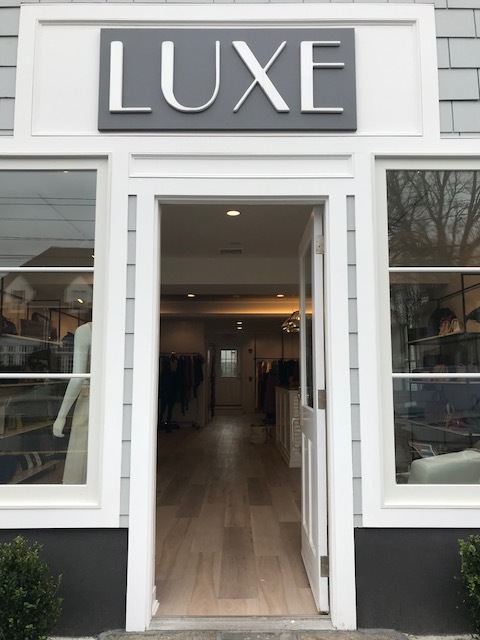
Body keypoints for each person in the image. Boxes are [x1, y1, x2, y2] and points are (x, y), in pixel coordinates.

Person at [53, 321, 91, 484]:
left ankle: (79, 494)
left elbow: (78, 378)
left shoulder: (85, 331)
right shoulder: (121, 328)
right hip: (113, 402)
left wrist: (61, 415)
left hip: (90, 401)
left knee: (80, 454)